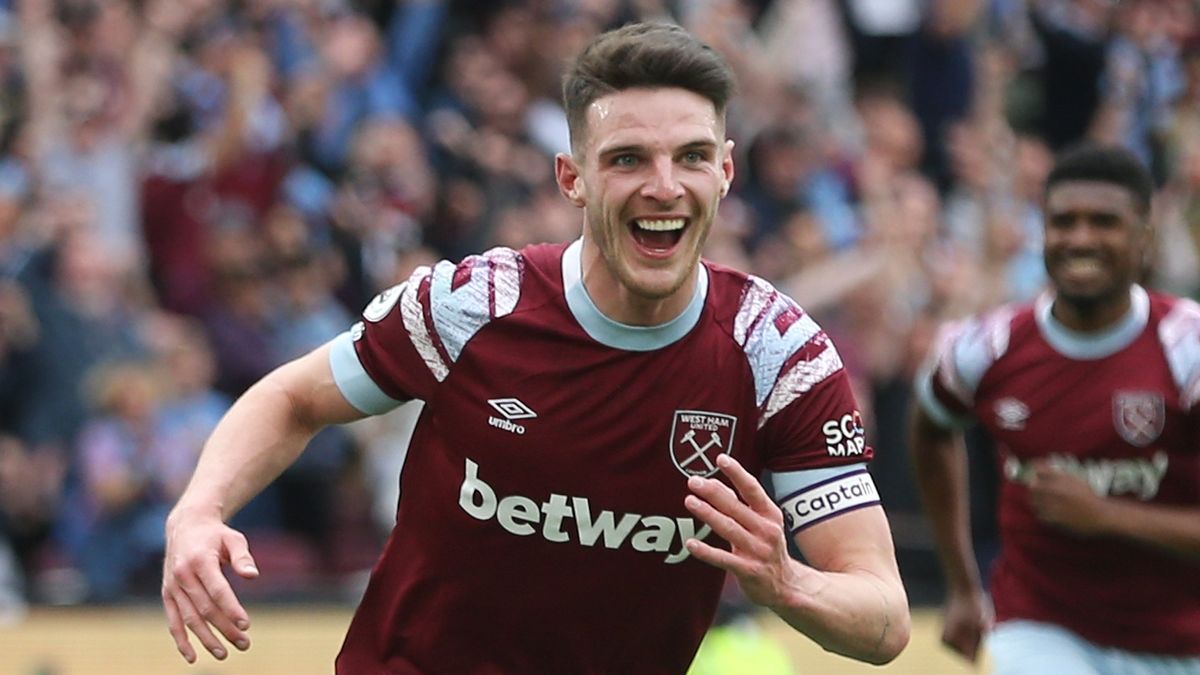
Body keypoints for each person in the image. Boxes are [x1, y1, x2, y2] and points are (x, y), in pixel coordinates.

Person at [161, 22, 910, 673]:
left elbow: (885, 617)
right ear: (571, 177)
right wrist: (198, 509)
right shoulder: (471, 307)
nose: (663, 185)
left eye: (690, 156)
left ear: (726, 170)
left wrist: (789, 583)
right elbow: (292, 396)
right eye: (626, 159)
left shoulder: (777, 353)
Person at [910, 143, 1200, 674]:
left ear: (1145, 238)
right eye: (1064, 222)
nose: (1081, 239)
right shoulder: (986, 347)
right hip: (1039, 627)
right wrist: (961, 584)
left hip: (1180, 639)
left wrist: (1105, 514)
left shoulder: (1189, 348)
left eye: (1104, 222)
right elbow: (931, 429)